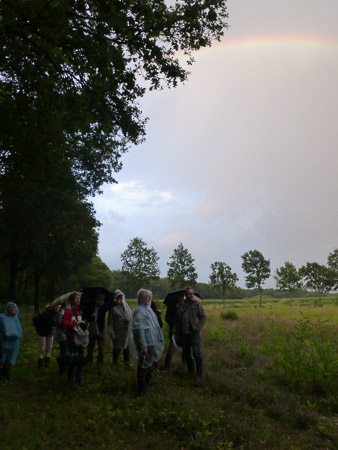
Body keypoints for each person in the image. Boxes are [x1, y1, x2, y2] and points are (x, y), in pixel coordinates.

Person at [132, 289, 164, 395]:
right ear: (141, 298)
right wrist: (143, 346)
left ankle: (145, 386)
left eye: (150, 296)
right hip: (147, 343)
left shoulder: (148, 309)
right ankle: (141, 390)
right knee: (144, 366)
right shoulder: (140, 311)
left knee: (150, 365)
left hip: (152, 341)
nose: (149, 298)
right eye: (147, 297)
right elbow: (139, 330)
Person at [172, 288, 206, 378]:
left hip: (194, 332)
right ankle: (191, 372)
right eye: (189, 293)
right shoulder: (180, 305)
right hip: (184, 333)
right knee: (187, 353)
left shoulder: (196, 304)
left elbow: (203, 317)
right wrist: (174, 331)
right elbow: (177, 320)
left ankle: (199, 373)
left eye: (192, 293)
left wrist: (198, 327)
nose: (191, 295)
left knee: (197, 353)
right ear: (185, 295)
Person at [62, 292, 88, 385]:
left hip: (80, 339)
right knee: (73, 361)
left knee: (80, 360)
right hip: (72, 340)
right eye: (77, 298)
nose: (79, 300)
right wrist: (75, 323)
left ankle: (79, 379)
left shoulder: (79, 310)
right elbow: (64, 323)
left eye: (79, 298)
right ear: (72, 300)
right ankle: (70, 380)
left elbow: (80, 321)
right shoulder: (68, 311)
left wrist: (84, 324)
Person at [107, 289, 132, 366]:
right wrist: (111, 332)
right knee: (117, 348)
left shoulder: (126, 305)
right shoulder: (113, 308)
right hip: (118, 331)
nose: (120, 299)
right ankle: (114, 363)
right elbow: (110, 322)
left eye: (121, 297)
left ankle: (126, 362)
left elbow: (130, 314)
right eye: (118, 297)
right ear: (115, 298)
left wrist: (129, 319)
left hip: (127, 330)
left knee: (127, 347)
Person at [82, 294, 108, 365]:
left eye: (103, 300)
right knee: (90, 346)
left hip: (101, 329)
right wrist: (90, 315)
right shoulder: (90, 307)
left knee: (101, 347)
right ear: (96, 300)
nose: (102, 301)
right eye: (101, 300)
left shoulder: (104, 307)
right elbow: (84, 316)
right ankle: (89, 360)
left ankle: (100, 362)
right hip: (92, 329)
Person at [162, 291, 185, 372]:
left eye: (183, 296)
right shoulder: (171, 306)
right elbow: (167, 318)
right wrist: (174, 323)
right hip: (174, 331)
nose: (182, 298)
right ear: (177, 297)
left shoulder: (187, 305)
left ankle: (183, 367)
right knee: (171, 349)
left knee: (185, 349)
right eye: (181, 296)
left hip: (184, 331)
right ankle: (166, 367)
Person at [0, 302, 23, 381]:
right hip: (3, 341)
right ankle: (1, 375)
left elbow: (19, 329)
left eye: (14, 307)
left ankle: (6, 374)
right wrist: (3, 335)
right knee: (2, 357)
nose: (12, 309)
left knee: (10, 358)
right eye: (10, 307)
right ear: (6, 308)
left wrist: (18, 335)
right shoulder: (1, 317)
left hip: (14, 342)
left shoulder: (16, 318)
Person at [33, 304, 58, 368]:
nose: (57, 308)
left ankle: (46, 362)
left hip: (49, 333)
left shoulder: (54, 314)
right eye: (55, 307)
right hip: (43, 333)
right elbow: (54, 323)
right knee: (42, 348)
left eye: (57, 307)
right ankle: (40, 364)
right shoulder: (46, 314)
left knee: (49, 348)